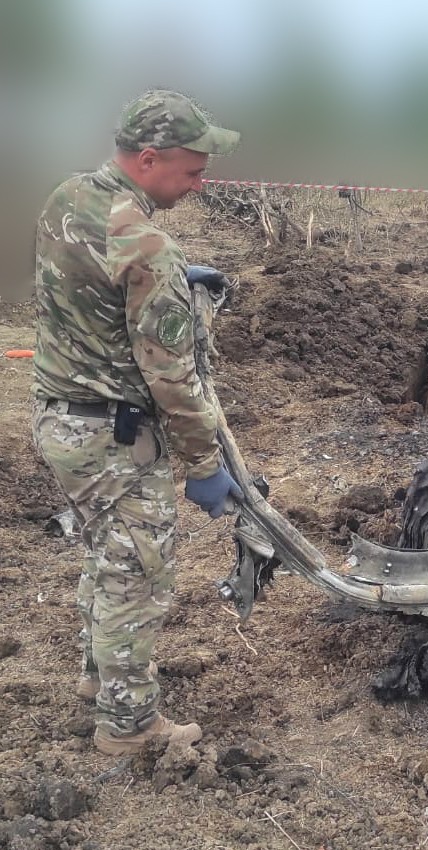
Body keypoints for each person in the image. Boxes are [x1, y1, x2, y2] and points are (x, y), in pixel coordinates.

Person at [31, 90, 244, 755]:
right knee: (138, 576)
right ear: (147, 159)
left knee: (106, 552)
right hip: (115, 437)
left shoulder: (68, 196)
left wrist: (174, 277)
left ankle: (101, 679)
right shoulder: (148, 245)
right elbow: (172, 378)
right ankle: (129, 727)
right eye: (192, 169)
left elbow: (96, 275)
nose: (202, 180)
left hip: (60, 421)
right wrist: (204, 466)